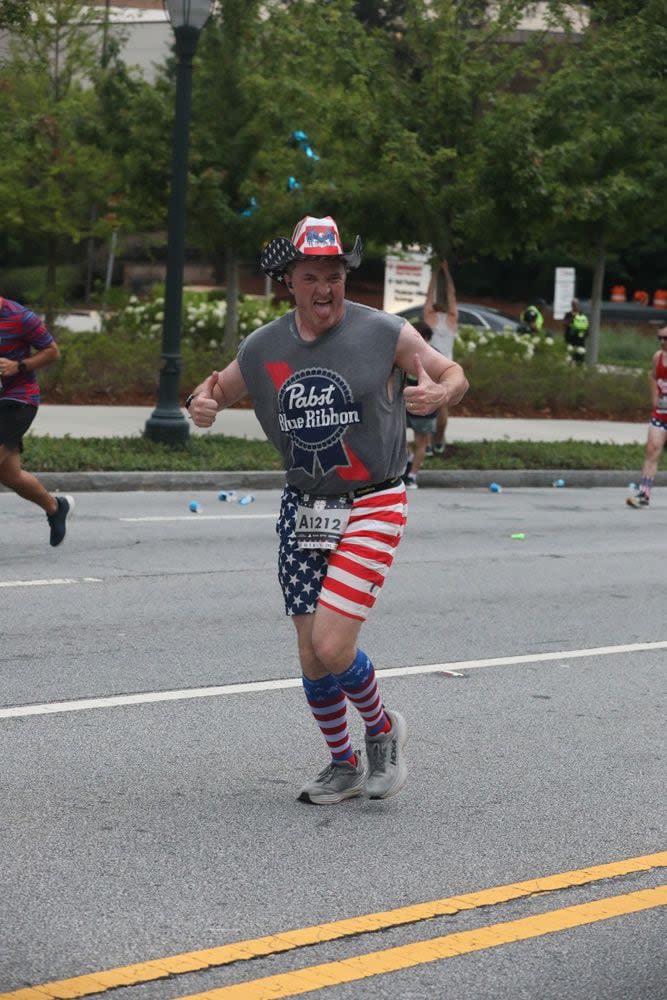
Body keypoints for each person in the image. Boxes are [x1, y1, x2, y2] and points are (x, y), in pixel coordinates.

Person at [187, 215, 469, 805]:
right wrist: (202, 403)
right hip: (304, 506)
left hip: (374, 498)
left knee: (335, 644)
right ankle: (342, 764)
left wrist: (442, 392)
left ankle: (383, 729)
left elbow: (451, 372)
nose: (326, 288)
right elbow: (216, 390)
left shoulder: (384, 332)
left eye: (335, 275)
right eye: (312, 275)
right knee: (311, 651)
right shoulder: (264, 346)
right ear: (288, 280)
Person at [0, 295, 74, 545]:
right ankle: (55, 507)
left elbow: (52, 352)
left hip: (19, 400)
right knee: (10, 475)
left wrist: (18, 366)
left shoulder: (20, 317)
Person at [626, 325, 667, 509]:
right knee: (652, 450)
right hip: (661, 413)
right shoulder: (657, 357)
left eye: (666, 338)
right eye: (660, 338)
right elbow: (653, 377)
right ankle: (644, 494)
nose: (663, 342)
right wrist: (654, 398)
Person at [423, 259, 458, 455]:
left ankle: (427, 443)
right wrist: (447, 271)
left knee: (428, 405)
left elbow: (428, 296)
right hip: (447, 367)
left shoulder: (429, 317)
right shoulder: (453, 320)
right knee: (443, 407)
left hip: (430, 366)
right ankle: (439, 440)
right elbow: (452, 295)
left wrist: (435, 274)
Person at [403, 319, 439, 488]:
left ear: (424, 337)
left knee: (421, 442)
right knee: (395, 435)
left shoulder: (435, 356)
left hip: (424, 407)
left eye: (415, 334)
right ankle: (408, 457)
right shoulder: (403, 352)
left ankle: (412, 476)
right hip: (403, 404)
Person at [563, 299, 589, 364]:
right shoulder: (568, 314)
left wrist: (586, 334)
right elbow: (565, 324)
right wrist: (574, 317)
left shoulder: (583, 314)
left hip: (580, 339)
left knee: (580, 356)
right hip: (570, 339)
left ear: (579, 305)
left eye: (576, 304)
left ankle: (578, 368)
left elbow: (587, 325)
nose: (575, 306)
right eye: (573, 304)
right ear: (571, 305)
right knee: (569, 357)